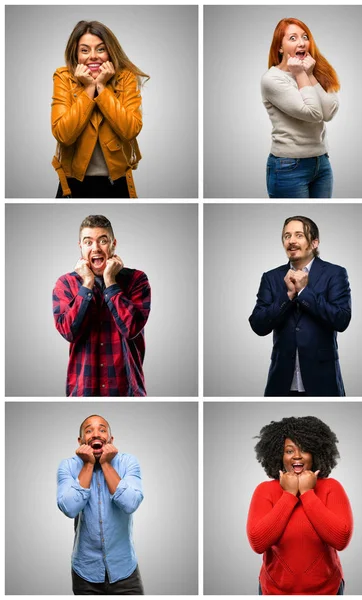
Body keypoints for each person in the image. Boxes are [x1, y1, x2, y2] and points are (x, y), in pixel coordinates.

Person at [247, 416, 353, 595]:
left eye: (304, 450)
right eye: (289, 451)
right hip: (275, 591)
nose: (296, 456)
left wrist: (307, 493)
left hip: (327, 590)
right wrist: (288, 495)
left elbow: (340, 540)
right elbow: (258, 543)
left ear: (316, 454)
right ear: (279, 456)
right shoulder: (265, 490)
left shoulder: (331, 487)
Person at [249, 216, 351, 396]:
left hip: (323, 380)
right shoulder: (271, 277)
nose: (292, 241)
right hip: (281, 381)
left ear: (314, 243)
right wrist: (287, 296)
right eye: (287, 236)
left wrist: (304, 292)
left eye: (299, 235)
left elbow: (341, 320)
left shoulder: (335, 274)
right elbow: (258, 324)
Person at [53, 215, 151, 396]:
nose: (96, 248)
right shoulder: (65, 284)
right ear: (80, 246)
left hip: (127, 391)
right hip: (82, 391)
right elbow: (68, 331)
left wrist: (110, 281)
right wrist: (87, 284)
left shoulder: (137, 280)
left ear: (114, 244)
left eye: (103, 241)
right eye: (88, 242)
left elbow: (131, 328)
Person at [51, 20, 149, 198]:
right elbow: (63, 135)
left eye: (101, 49)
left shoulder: (125, 78)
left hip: (117, 181)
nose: (93, 56)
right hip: (72, 182)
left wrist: (102, 88)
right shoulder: (64, 77)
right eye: (85, 50)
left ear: (110, 51)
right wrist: (89, 88)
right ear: (76, 54)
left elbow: (130, 130)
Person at [57, 414, 144, 594]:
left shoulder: (129, 463)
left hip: (125, 571)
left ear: (111, 440)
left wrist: (105, 464)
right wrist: (88, 465)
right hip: (85, 574)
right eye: (89, 431)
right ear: (80, 441)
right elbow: (69, 508)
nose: (96, 434)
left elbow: (130, 504)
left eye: (102, 430)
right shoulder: (67, 467)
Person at [261, 18, 340, 198]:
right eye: (293, 38)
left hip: (322, 162)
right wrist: (301, 74)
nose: (302, 42)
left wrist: (310, 74)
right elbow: (313, 114)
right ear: (279, 48)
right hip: (289, 166)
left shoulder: (314, 70)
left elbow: (328, 114)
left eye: (305, 37)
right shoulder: (272, 79)